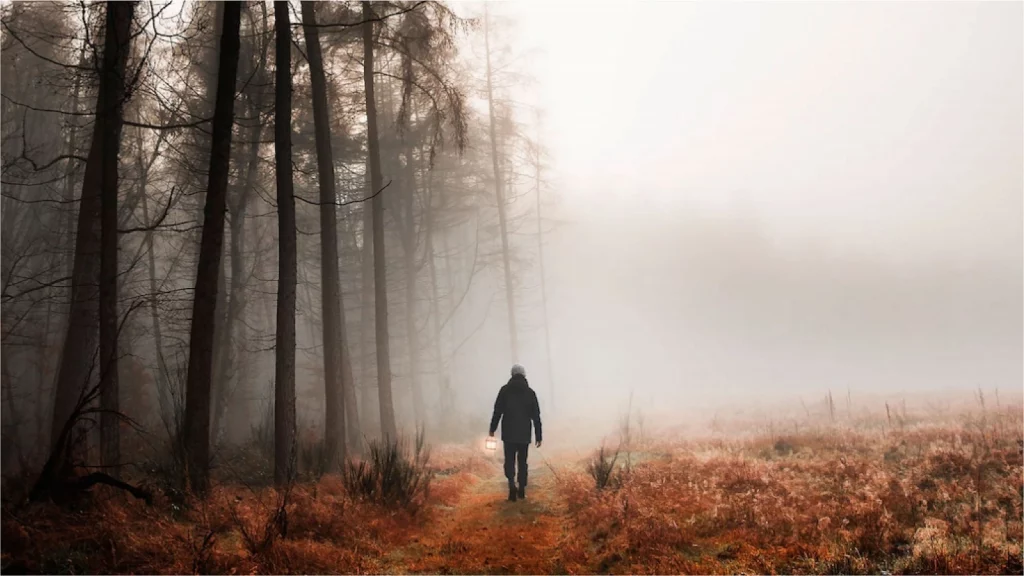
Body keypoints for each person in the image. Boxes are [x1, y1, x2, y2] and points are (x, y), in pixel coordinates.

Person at [488, 363, 542, 502]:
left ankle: (511, 484)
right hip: (524, 434)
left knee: (510, 460)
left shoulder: (504, 391)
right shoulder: (530, 393)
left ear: (512, 375)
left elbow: (497, 411)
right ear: (524, 375)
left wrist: (492, 429)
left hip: (509, 433)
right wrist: (538, 435)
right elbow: (536, 416)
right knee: (522, 462)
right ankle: (522, 488)